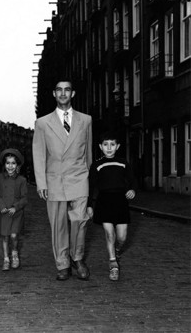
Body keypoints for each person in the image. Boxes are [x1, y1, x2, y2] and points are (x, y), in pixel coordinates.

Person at [32, 79, 93, 281]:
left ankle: (77, 257)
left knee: (79, 220)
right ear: (54, 94)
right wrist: (41, 183)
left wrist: (86, 175)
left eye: (67, 90)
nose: (63, 93)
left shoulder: (86, 120)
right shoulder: (42, 123)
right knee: (58, 224)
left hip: (79, 176)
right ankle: (63, 263)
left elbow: (89, 153)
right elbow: (39, 154)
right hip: (54, 179)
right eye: (59, 90)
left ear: (73, 94)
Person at [87, 131, 136, 281]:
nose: (109, 148)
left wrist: (132, 190)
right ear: (101, 147)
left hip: (120, 201)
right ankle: (113, 263)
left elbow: (132, 181)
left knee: (121, 237)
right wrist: (89, 206)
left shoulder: (123, 163)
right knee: (109, 234)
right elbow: (90, 187)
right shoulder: (97, 165)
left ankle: (117, 249)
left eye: (112, 145)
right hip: (104, 201)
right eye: (106, 145)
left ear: (118, 146)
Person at [0, 148, 27, 271]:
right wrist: (1, 207)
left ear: (17, 165)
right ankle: (6, 258)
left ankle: (15, 253)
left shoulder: (22, 180)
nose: (10, 166)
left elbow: (24, 198)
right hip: (4, 212)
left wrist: (15, 207)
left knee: (13, 235)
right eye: (7, 163)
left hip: (16, 213)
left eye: (13, 163)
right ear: (4, 164)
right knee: (5, 236)